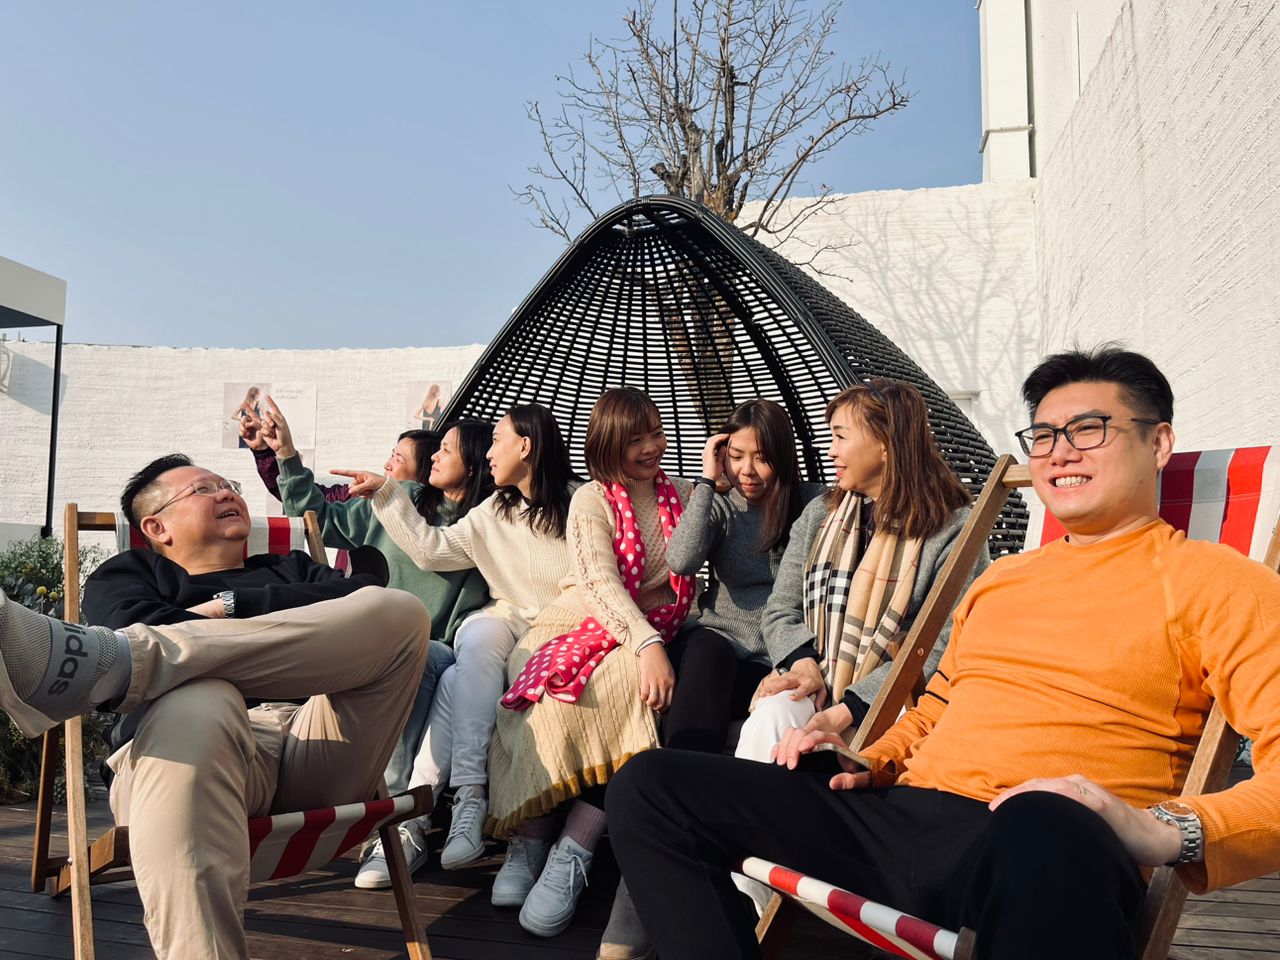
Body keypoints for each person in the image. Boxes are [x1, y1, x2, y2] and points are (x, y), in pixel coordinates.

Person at [605, 347, 1280, 960]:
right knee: (651, 786)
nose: (1059, 453)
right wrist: (872, 759)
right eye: (1044, 436)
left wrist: (1170, 831)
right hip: (904, 817)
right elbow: (939, 702)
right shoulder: (1002, 580)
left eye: (1088, 429)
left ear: (1158, 442)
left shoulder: (1219, 584)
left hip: (1043, 844)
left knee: (1043, 823)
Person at [0, 454, 433, 960]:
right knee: (202, 696)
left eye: (229, 485)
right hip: (181, 753)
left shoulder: (289, 565)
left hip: (315, 743)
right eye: (203, 489)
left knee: (400, 612)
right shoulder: (130, 573)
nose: (228, 492)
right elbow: (133, 621)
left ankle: (117, 664)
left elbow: (362, 596)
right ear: (156, 527)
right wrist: (287, 616)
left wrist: (228, 606)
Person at [259, 398, 495, 887]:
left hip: (439, 650)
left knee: (425, 659)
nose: (434, 456)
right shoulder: (399, 498)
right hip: (372, 645)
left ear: (473, 465)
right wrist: (286, 455)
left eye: (446, 450)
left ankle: (395, 824)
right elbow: (318, 518)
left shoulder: (488, 523)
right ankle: (387, 818)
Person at [487, 387, 695, 939]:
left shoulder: (684, 494)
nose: (651, 447)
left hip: (649, 631)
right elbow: (600, 582)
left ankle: (573, 848)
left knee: (627, 690)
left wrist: (716, 481)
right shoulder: (591, 499)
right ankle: (530, 839)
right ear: (607, 444)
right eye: (634, 439)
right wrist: (646, 643)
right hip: (578, 621)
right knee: (547, 701)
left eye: (656, 433)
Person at [340, 404, 577, 882]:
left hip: (563, 626)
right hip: (505, 617)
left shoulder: (580, 502)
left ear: (525, 446)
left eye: (497, 441)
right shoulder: (493, 511)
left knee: (451, 681)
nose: (489, 452)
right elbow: (431, 550)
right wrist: (386, 492)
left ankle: (417, 819)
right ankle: (469, 796)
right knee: (479, 636)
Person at [735, 380, 986, 763]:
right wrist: (803, 664)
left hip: (903, 699)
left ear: (885, 444)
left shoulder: (953, 529)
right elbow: (780, 609)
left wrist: (850, 707)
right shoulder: (821, 515)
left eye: (840, 436)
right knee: (773, 715)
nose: (831, 450)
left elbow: (945, 644)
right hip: (819, 681)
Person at [663, 399, 824, 754]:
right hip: (716, 639)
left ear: (783, 457)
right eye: (736, 457)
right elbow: (681, 560)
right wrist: (707, 481)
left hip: (774, 652)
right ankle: (679, 770)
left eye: (761, 458)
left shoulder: (813, 504)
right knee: (708, 654)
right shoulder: (720, 502)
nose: (746, 470)